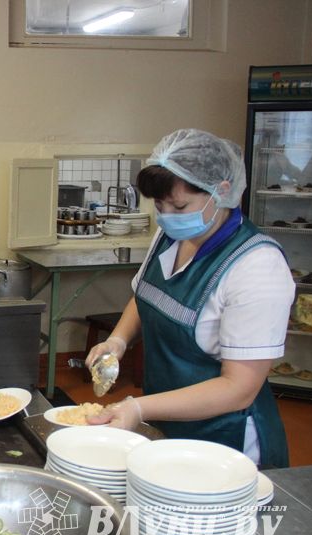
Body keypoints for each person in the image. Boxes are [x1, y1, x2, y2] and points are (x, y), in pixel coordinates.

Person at [86, 129, 292, 468]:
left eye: (180, 205)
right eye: (160, 205)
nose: (167, 215)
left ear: (221, 192)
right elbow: (146, 296)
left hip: (226, 442)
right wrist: (118, 341)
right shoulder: (170, 236)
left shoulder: (256, 266)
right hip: (169, 425)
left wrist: (139, 408)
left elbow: (239, 388)